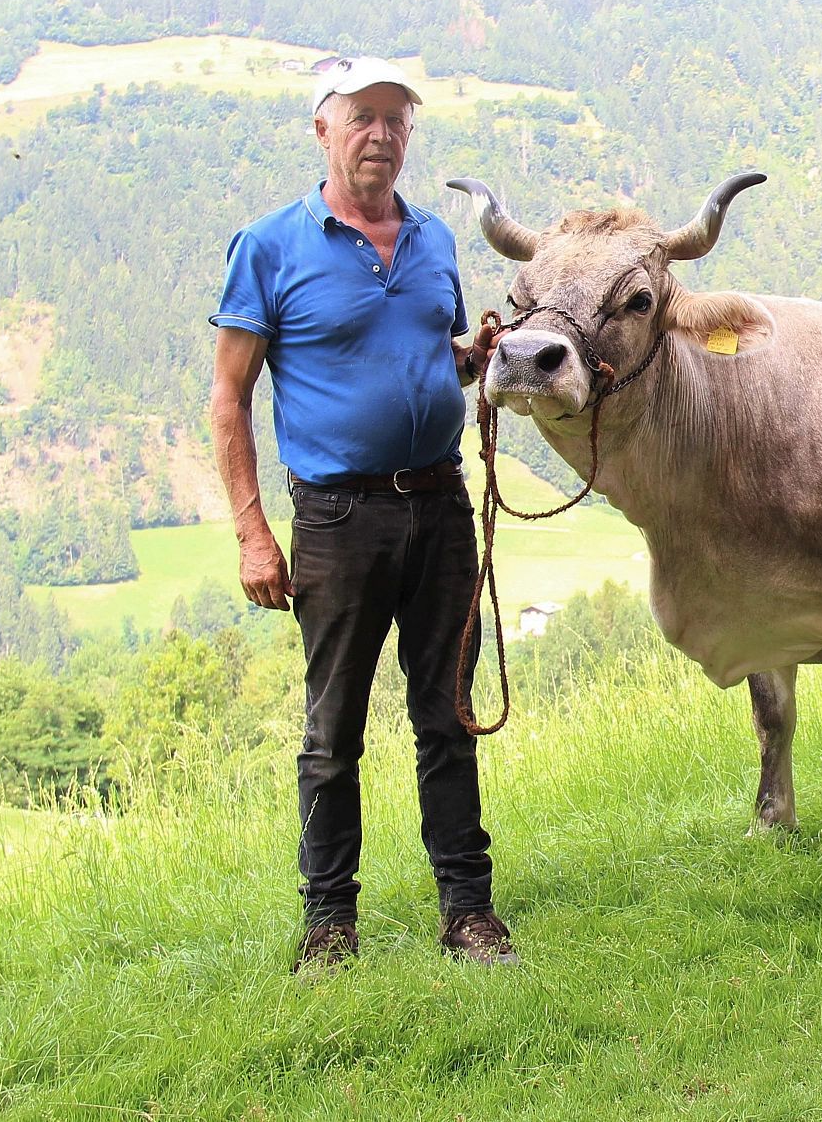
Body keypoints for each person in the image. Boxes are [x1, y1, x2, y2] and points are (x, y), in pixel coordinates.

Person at [208, 56, 510, 972]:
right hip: (337, 521)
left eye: (396, 119)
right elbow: (229, 397)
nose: (381, 134)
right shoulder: (268, 246)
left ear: (410, 135)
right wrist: (253, 530)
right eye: (362, 118)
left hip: (441, 507)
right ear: (324, 131)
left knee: (447, 717)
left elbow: (433, 354)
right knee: (332, 732)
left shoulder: (432, 244)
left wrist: (477, 355)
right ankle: (328, 925)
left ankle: (468, 912)